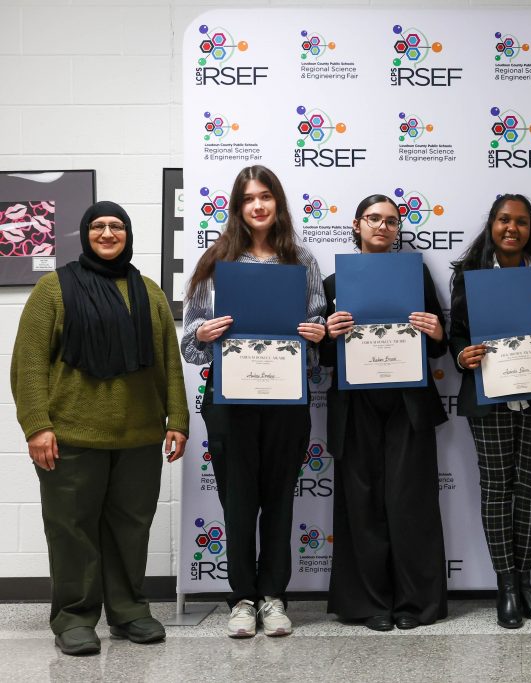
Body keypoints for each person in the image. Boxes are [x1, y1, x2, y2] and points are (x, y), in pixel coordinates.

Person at [11, 201, 189, 656]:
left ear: (127, 234)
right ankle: (74, 618)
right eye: (98, 226)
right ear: (85, 233)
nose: (108, 233)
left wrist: (177, 419)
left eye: (116, 226)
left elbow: (168, 362)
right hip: (70, 437)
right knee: (71, 530)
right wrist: (37, 426)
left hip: (139, 437)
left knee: (131, 528)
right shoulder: (54, 289)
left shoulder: (149, 292)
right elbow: (29, 363)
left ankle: (129, 612)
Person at [181, 165, 326, 638]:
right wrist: (203, 332)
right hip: (229, 400)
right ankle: (242, 599)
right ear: (237, 207)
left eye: (265, 196)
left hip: (286, 397)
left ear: (277, 202)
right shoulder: (215, 261)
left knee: (280, 500)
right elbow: (189, 344)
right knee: (238, 503)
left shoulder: (301, 260)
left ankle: (273, 597)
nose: (258, 205)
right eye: (248, 198)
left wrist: (316, 334)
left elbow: (317, 328)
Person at [321, 194, 448, 631]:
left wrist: (437, 330)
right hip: (354, 404)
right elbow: (323, 357)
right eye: (374, 219)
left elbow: (438, 345)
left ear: (398, 231)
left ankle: (416, 604)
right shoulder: (333, 283)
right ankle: (370, 604)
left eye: (391, 221)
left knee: (411, 503)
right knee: (360, 504)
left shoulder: (417, 274)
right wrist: (328, 335)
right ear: (356, 225)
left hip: (407, 403)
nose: (382, 226)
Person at [449, 194, 531, 628]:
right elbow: (456, 334)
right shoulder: (469, 276)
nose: (511, 228)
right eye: (503, 219)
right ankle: (506, 587)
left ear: (530, 229)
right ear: (492, 224)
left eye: (520, 221)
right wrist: (462, 356)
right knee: (497, 488)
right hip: (489, 395)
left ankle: (525, 581)